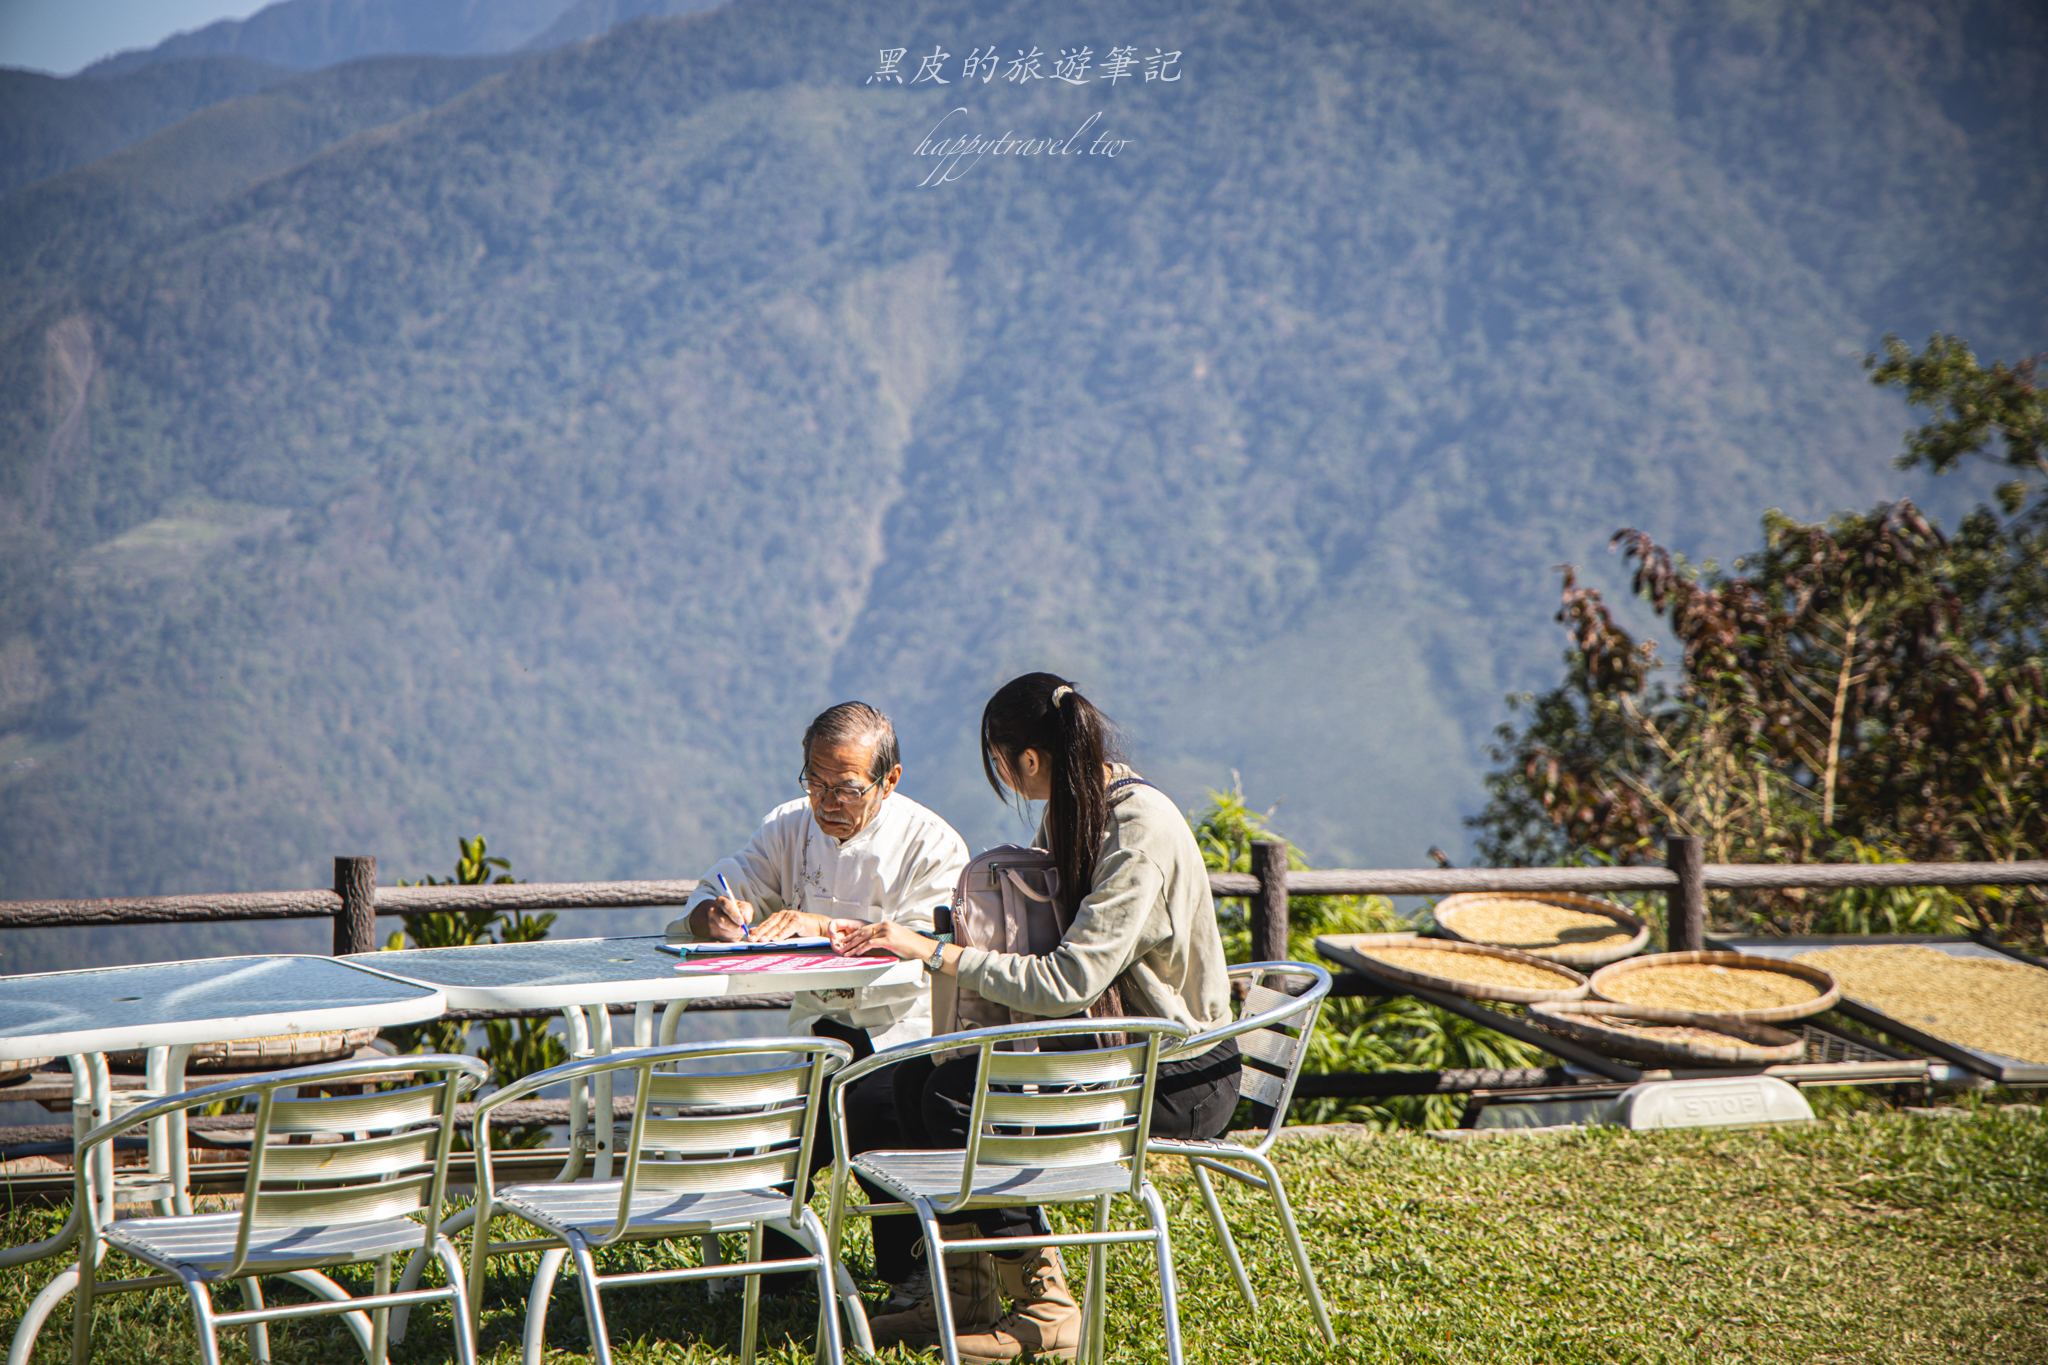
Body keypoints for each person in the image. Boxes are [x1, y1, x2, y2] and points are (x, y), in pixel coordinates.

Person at [834, 673, 1239, 1363]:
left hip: (1177, 1072)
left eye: (998, 762)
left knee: (959, 1097)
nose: (1002, 776)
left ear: (1025, 758)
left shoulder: (1137, 826)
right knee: (913, 1081)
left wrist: (940, 952)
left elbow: (1070, 977)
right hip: (1116, 1047)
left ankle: (1047, 1302)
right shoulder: (1078, 810)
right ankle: (964, 1293)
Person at [666, 700, 967, 1291]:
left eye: (848, 788)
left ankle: (907, 1271)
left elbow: (925, 953)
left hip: (903, 1028)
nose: (828, 802)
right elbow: (712, 893)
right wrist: (719, 916)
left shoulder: (932, 844)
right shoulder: (788, 825)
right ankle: (781, 1265)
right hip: (819, 1024)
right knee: (790, 1113)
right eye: (815, 781)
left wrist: (820, 928)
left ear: (890, 780)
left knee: (877, 1105)